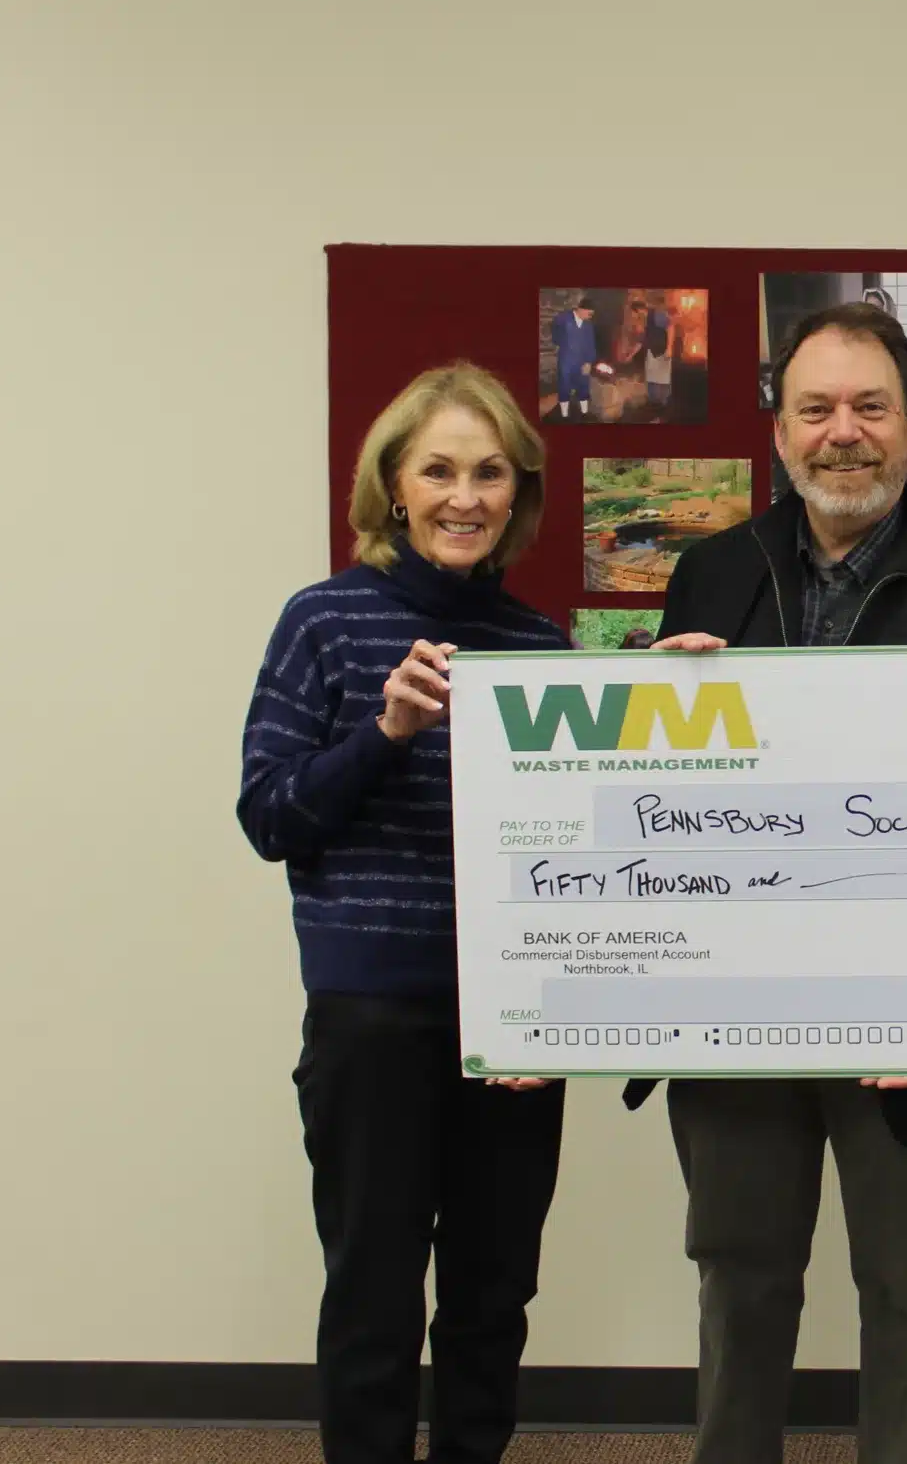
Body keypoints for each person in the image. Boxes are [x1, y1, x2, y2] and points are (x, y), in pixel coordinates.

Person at [629, 301, 907, 1464]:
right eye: (817, 407)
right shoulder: (709, 576)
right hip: (736, 1015)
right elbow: (661, 816)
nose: (845, 432)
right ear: (776, 433)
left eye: (870, 407)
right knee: (739, 1287)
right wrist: (645, 718)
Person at [237, 362, 570, 1464]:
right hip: (371, 1020)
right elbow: (271, 815)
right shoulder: (323, 622)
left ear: (518, 495)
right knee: (373, 1296)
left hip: (512, 1033)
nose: (464, 497)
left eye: (489, 474)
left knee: (492, 1302)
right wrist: (382, 735)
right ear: (392, 484)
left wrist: (656, 705)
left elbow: (579, 859)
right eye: (438, 471)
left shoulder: (539, 648)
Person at [551, 289, 597, 419]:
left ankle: (584, 413)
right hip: (566, 359)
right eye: (589, 313)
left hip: (582, 360)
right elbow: (554, 331)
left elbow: (591, 344)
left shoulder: (588, 325)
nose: (590, 316)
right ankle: (564, 414)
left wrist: (589, 362)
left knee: (583, 384)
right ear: (581, 309)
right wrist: (559, 341)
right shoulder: (563, 318)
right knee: (564, 385)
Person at [643, 294, 675, 417]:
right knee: (651, 380)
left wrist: (669, 348)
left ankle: (663, 412)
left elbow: (671, 327)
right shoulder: (648, 317)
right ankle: (653, 409)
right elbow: (644, 337)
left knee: (663, 383)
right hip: (652, 352)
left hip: (662, 352)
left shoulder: (658, 315)